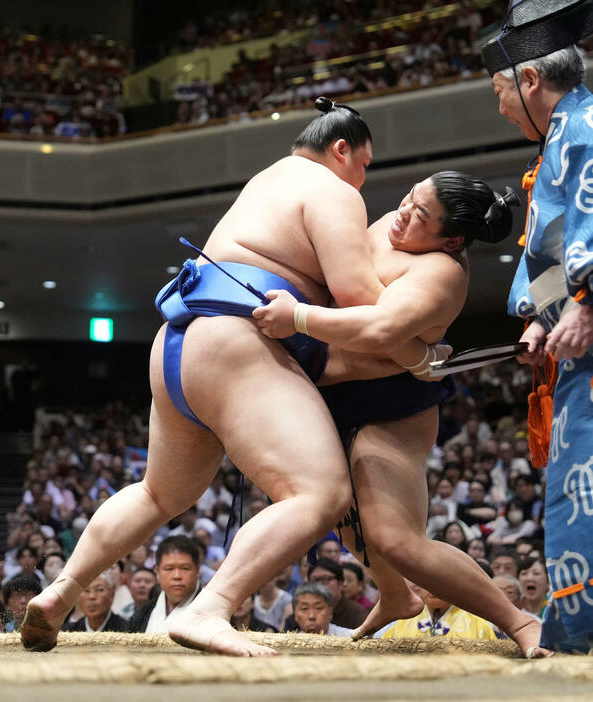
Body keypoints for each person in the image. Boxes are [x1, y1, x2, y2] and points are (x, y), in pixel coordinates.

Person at [21, 97, 444, 657]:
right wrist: (421, 351)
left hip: (178, 343)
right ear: (341, 150)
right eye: (364, 164)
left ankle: (62, 590)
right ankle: (212, 607)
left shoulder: (265, 181)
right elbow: (360, 300)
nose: (364, 181)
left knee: (157, 493)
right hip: (234, 343)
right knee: (320, 492)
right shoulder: (332, 189)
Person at [253, 170, 549, 657]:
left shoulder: (441, 273)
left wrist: (299, 317)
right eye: (410, 199)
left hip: (393, 403)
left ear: (450, 238)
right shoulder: (394, 223)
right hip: (339, 389)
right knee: (345, 518)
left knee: (397, 540)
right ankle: (394, 595)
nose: (403, 215)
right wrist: (414, 351)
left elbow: (377, 328)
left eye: (421, 217)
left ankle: (519, 623)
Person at [481, 0, 593, 651]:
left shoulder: (586, 129)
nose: (497, 107)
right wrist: (542, 317)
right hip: (577, 354)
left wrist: (586, 305)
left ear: (529, 81)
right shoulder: (562, 139)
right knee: (573, 488)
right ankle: (577, 630)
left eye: (499, 91)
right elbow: (549, 248)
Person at [128, 536, 201, 633]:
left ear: (197, 571)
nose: (177, 576)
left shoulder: (214, 611)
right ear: (157, 572)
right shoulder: (143, 614)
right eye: (169, 569)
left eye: (185, 568)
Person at [381, 587, 497, 641]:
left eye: (439, 583)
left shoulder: (476, 622)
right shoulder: (404, 620)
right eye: (427, 583)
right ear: (418, 587)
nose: (433, 589)